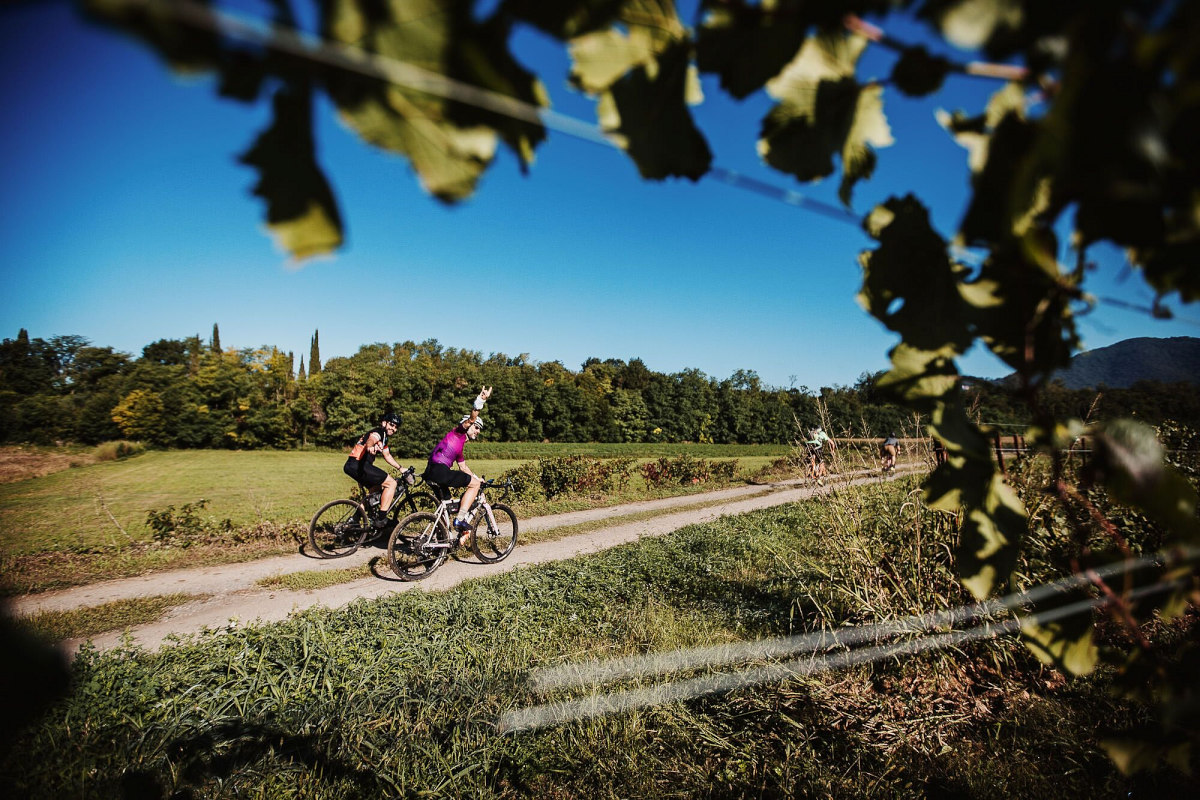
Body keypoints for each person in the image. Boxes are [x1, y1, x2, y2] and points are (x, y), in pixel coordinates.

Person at [424, 386, 492, 545]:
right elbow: (472, 418)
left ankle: (440, 542)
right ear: (467, 425)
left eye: (479, 429)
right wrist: (480, 400)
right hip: (440, 471)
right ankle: (460, 520)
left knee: (446, 505)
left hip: (431, 471)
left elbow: (463, 467)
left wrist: (476, 477)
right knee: (473, 486)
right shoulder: (459, 432)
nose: (478, 431)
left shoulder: (459, 446)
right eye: (476, 427)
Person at [344, 412, 406, 527]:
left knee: (375, 489)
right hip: (359, 464)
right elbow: (371, 439)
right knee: (391, 484)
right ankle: (381, 519)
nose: (394, 429)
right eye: (392, 425)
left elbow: (387, 456)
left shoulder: (384, 439)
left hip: (351, 465)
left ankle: (355, 519)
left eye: (396, 427)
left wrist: (400, 468)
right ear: (384, 423)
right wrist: (370, 446)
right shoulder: (379, 432)